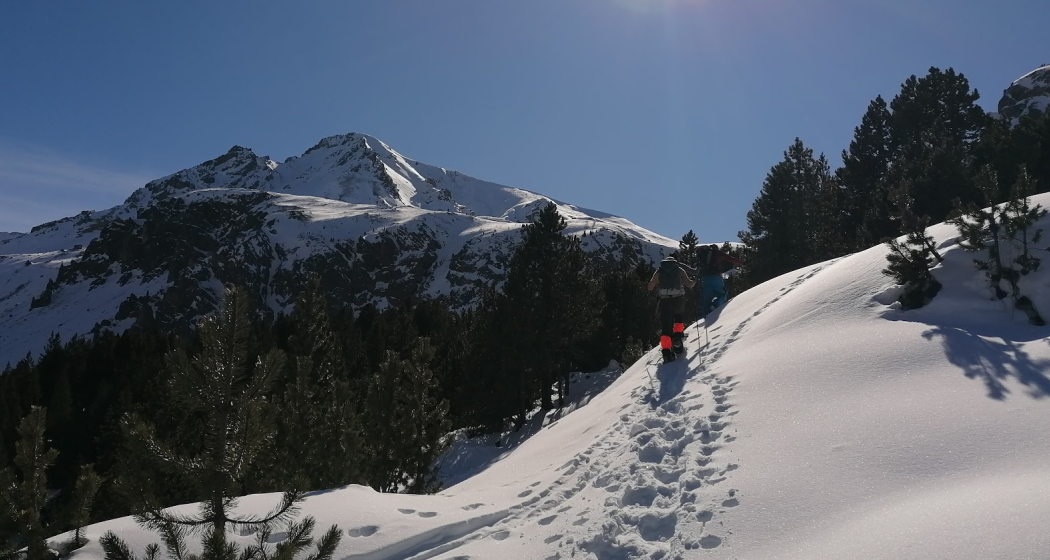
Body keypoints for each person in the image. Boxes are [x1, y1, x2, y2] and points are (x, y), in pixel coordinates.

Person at [647, 253, 697, 363]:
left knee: (666, 325)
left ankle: (666, 352)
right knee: (678, 318)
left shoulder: (659, 271)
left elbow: (650, 287)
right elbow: (689, 284)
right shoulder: (679, 270)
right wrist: (694, 281)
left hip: (664, 300)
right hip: (678, 299)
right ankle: (677, 340)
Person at [697, 244, 744, 317]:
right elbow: (731, 259)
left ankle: (706, 316)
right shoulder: (717, 253)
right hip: (716, 277)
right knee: (722, 294)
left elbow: (698, 267)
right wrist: (742, 262)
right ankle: (715, 305)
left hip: (705, 278)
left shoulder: (703, 255)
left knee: (706, 300)